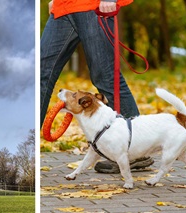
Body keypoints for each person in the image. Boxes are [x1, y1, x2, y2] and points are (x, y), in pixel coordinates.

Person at [40, 0, 154, 173]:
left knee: (106, 78)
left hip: (93, 6)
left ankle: (136, 152)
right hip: (63, 7)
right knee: (41, 74)